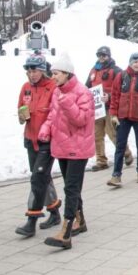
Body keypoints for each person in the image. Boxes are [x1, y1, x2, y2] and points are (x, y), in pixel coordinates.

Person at [36, 52, 95, 249]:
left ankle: (66, 230)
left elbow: (80, 120)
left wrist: (67, 102)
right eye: (52, 73)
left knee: (70, 187)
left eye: (56, 73)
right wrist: (45, 129)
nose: (52, 77)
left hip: (78, 147)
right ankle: (81, 220)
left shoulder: (82, 92)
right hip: (61, 146)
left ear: (67, 74)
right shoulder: (57, 92)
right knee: (72, 187)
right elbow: (53, 115)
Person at [15, 54, 62, 236]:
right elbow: (20, 108)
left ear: (43, 70)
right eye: (28, 70)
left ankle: (31, 220)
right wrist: (21, 116)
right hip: (30, 138)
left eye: (34, 70)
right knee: (43, 177)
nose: (31, 74)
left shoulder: (52, 87)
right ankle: (55, 212)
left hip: (46, 141)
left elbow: (55, 114)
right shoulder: (25, 88)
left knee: (37, 179)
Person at [106, 52, 138, 186]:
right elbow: (115, 96)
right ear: (130, 63)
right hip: (123, 117)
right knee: (120, 146)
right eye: (135, 62)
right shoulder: (121, 76)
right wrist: (113, 114)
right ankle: (116, 175)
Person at [85, 46, 131, 172]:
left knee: (113, 134)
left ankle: (126, 153)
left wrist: (110, 96)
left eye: (104, 55)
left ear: (109, 56)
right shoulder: (93, 71)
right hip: (97, 108)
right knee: (97, 135)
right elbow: (87, 87)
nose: (101, 58)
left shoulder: (116, 71)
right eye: (99, 55)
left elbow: (124, 88)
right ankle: (101, 161)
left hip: (111, 107)